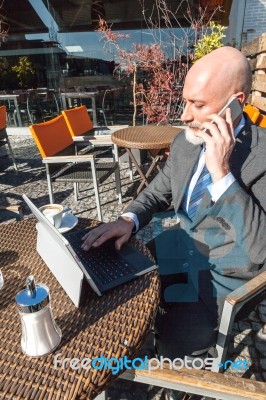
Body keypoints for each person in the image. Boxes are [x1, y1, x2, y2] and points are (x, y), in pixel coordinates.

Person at [81, 47, 266, 363]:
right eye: (185, 101)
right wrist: (128, 219)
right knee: (104, 277)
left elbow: (258, 250)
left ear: (236, 104)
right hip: (178, 248)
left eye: (197, 104)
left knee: (172, 347)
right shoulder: (185, 142)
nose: (183, 115)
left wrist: (222, 172)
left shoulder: (261, 156)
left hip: (222, 279)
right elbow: (156, 193)